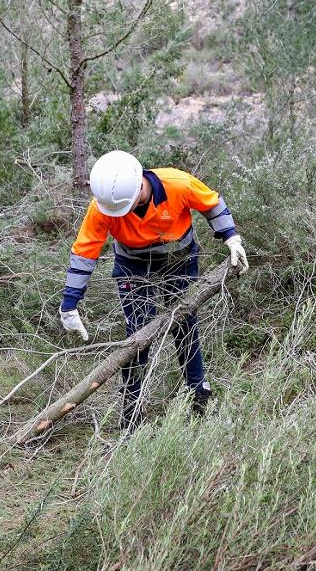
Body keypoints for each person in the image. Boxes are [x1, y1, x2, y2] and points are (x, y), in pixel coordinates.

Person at [59, 150, 249, 427]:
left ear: (139, 185)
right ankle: (132, 411)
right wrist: (69, 303)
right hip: (132, 266)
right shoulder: (102, 206)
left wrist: (232, 238)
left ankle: (200, 397)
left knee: (184, 324)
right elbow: (85, 252)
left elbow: (212, 203)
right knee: (136, 335)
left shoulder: (178, 184)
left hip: (179, 260)